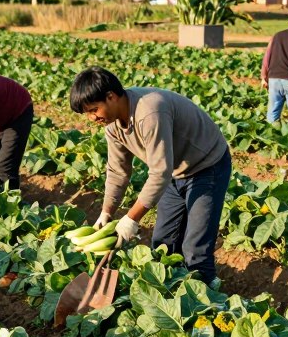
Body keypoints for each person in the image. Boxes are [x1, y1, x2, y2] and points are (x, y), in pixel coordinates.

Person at [70, 67, 231, 284]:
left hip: (207, 166)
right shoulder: (112, 127)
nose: (91, 118)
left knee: (195, 247)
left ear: (111, 97)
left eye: (93, 110)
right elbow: (118, 172)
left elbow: (159, 173)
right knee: (164, 241)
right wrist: (106, 213)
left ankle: (208, 294)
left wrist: (130, 219)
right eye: (87, 113)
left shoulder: (150, 112)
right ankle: (173, 289)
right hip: (173, 171)